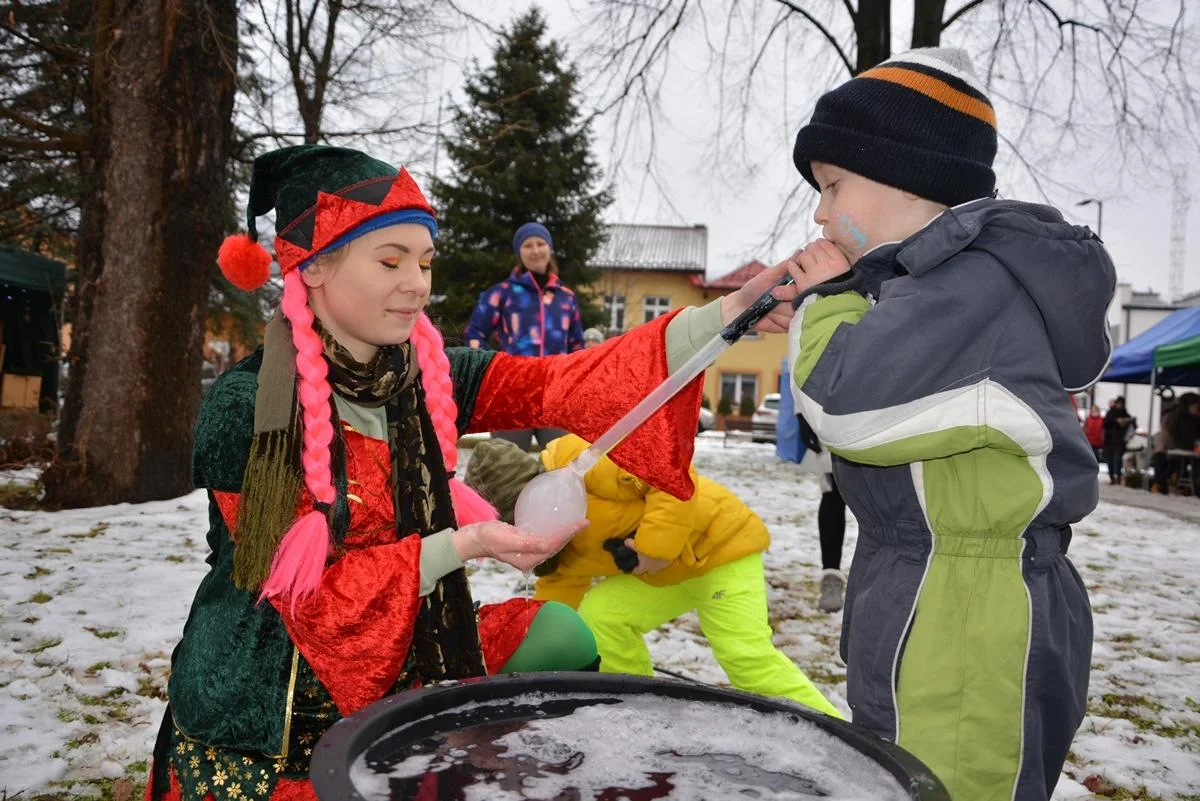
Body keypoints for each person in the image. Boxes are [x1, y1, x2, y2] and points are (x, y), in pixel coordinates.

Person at [145, 145, 791, 801]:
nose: (418, 284)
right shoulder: (247, 408)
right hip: (281, 687)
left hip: (414, 641)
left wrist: (725, 316)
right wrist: (467, 543)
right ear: (312, 269)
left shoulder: (425, 375)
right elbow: (315, 603)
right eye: (391, 261)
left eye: (424, 262)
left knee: (564, 632)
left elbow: (563, 380)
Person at [783, 48, 1115, 801]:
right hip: (934, 587)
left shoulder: (973, 288)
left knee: (943, 784)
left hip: (964, 614)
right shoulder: (935, 290)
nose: (818, 210)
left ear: (908, 177)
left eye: (833, 185)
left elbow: (845, 402)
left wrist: (825, 299)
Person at [463, 434, 843, 719]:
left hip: (721, 548)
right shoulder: (551, 541)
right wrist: (529, 646)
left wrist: (652, 549)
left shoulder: (584, 464)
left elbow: (670, 474)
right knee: (602, 617)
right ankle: (640, 709)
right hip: (668, 575)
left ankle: (834, 731)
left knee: (745, 658)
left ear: (534, 490)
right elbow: (558, 598)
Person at [465, 222, 585, 451]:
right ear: (519, 252)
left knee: (563, 465)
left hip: (554, 397)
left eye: (540, 243)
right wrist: (493, 372)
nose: (535, 250)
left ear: (549, 248)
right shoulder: (502, 293)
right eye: (528, 245)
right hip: (512, 397)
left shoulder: (566, 298)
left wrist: (572, 383)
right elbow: (475, 333)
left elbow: (577, 345)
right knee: (504, 466)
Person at [1103, 396, 1133, 484]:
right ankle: (1112, 477)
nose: (1119, 405)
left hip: (1120, 441)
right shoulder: (1111, 413)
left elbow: (1133, 425)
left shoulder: (1126, 415)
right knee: (1110, 460)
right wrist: (1116, 421)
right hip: (1109, 441)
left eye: (1121, 404)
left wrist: (1126, 421)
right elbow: (1105, 423)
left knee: (1117, 460)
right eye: (1118, 403)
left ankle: (1118, 477)